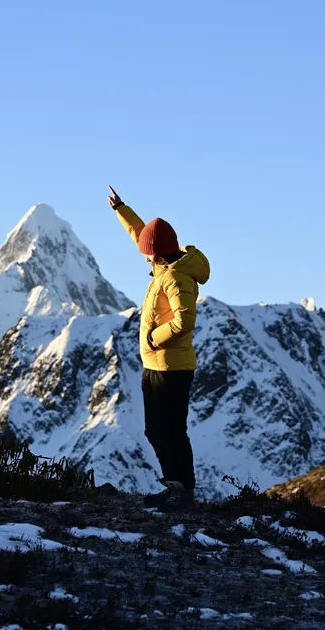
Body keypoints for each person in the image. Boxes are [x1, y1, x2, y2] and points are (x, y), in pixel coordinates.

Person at [108, 185, 210, 506]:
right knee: (156, 429)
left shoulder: (176, 278)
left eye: (147, 252)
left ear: (158, 253)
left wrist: (154, 337)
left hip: (173, 369)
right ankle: (175, 486)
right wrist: (121, 209)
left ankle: (182, 490)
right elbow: (142, 234)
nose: (143, 255)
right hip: (155, 366)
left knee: (172, 430)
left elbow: (184, 321)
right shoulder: (163, 264)